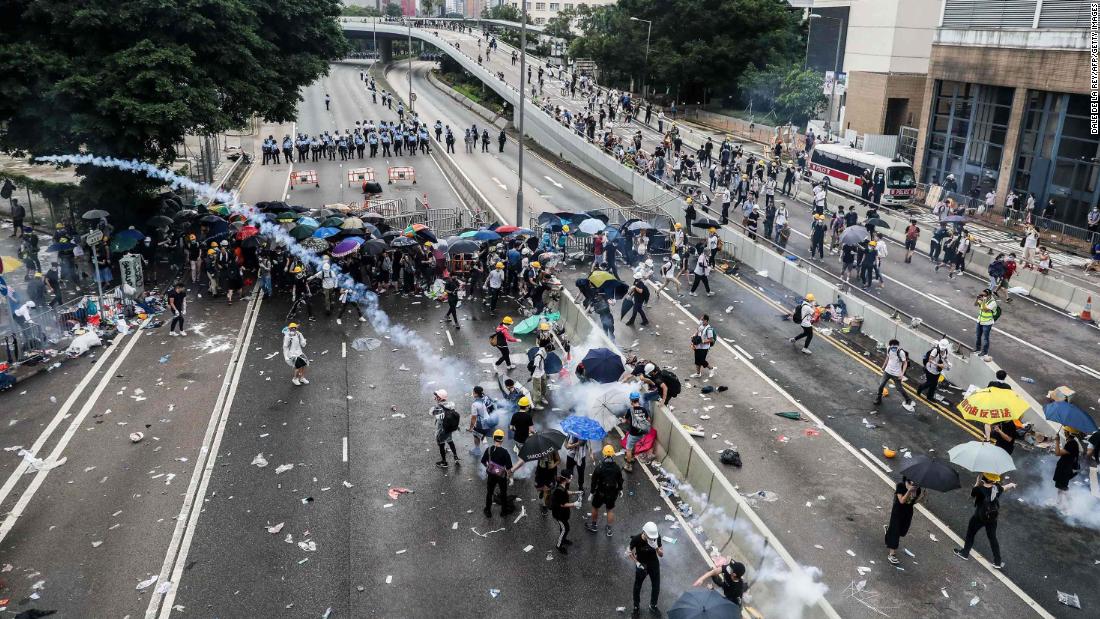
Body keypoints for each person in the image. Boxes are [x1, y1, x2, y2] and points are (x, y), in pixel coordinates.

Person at [954, 473, 1015, 568]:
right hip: (992, 518)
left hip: (979, 517)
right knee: (992, 538)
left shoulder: (979, 489)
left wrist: (977, 482)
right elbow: (1004, 488)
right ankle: (998, 562)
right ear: (993, 480)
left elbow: (971, 495)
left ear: (984, 478)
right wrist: (1011, 485)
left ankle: (965, 553)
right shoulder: (996, 488)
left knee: (971, 534)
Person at [629, 521, 664, 617]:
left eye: (653, 537)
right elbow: (628, 552)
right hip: (642, 564)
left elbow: (661, 555)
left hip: (654, 563)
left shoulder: (657, 538)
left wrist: (656, 547)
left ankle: (653, 605)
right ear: (644, 532)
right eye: (650, 537)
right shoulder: (636, 539)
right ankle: (636, 607)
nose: (652, 539)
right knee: (637, 586)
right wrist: (636, 563)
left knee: (656, 586)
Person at [587, 445, 624, 537]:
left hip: (600, 493)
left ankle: (594, 525)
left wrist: (591, 493)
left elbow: (594, 481)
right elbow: (620, 480)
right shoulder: (616, 468)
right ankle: (609, 529)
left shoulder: (599, 467)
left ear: (604, 455)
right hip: (612, 494)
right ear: (613, 455)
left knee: (595, 507)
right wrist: (620, 489)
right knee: (609, 510)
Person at [885, 477, 922, 565]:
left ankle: (888, 532)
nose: (916, 485)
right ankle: (892, 554)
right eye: (915, 483)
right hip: (898, 512)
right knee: (896, 532)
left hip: (908, 513)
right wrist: (909, 491)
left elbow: (913, 502)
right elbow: (901, 501)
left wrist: (922, 497)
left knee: (902, 531)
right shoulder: (901, 486)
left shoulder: (918, 489)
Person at [874, 339, 916, 412]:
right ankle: (878, 399)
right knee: (881, 385)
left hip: (896, 374)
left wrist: (902, 374)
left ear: (898, 346)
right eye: (892, 346)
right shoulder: (889, 348)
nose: (893, 348)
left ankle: (908, 399)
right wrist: (883, 366)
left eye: (895, 346)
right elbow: (888, 357)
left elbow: (905, 363)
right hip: (887, 371)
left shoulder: (901, 352)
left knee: (899, 388)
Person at [482, 429, 516, 517]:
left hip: (491, 475)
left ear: (493, 438)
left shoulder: (488, 450)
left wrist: (489, 467)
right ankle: (503, 512)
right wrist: (511, 478)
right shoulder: (505, 452)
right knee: (503, 493)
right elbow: (509, 468)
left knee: (489, 492)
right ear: (502, 439)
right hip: (501, 476)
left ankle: (488, 511)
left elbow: (483, 461)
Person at [1052, 426, 1082, 509]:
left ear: (1068, 433)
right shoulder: (1071, 442)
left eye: (1065, 431)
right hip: (1064, 468)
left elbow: (1057, 453)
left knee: (1063, 488)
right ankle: (1059, 502)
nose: (1064, 432)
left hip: (1065, 469)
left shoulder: (1071, 443)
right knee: (1060, 487)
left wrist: (1057, 441)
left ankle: (1071, 506)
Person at [551, 474, 582, 554]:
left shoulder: (563, 486)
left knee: (564, 528)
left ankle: (563, 539)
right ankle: (559, 545)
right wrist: (574, 504)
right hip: (559, 514)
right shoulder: (559, 490)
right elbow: (562, 504)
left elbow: (566, 492)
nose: (571, 478)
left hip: (563, 513)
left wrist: (576, 492)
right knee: (565, 529)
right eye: (569, 477)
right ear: (565, 479)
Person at [430, 389, 461, 469]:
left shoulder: (438, 408)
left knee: (441, 444)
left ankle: (444, 462)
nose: (435, 398)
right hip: (449, 427)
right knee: (450, 441)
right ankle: (455, 457)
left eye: (436, 396)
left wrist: (437, 405)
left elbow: (431, 412)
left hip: (442, 429)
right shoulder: (451, 404)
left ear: (440, 398)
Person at [621, 392, 651, 473]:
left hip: (633, 434)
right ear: (638, 399)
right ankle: (632, 457)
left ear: (631, 400)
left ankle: (628, 465)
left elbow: (624, 421)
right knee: (633, 444)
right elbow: (648, 419)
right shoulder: (643, 409)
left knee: (628, 449)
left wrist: (622, 419)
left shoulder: (630, 410)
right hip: (641, 434)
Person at [468, 385, 495, 454]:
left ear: (476, 394)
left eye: (473, 392)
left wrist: (471, 427)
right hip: (489, 419)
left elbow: (474, 417)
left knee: (476, 434)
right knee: (485, 435)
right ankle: (492, 451)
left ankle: (479, 450)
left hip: (481, 422)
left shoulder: (475, 404)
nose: (473, 393)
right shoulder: (485, 398)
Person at [974, 289, 998, 359]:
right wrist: (977, 298)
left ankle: (985, 351)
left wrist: (983, 300)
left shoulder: (993, 302)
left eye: (985, 295)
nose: (983, 296)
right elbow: (975, 304)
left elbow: (985, 309)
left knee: (985, 338)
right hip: (980, 321)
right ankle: (977, 348)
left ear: (989, 295)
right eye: (983, 294)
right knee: (978, 336)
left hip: (987, 323)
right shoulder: (982, 299)